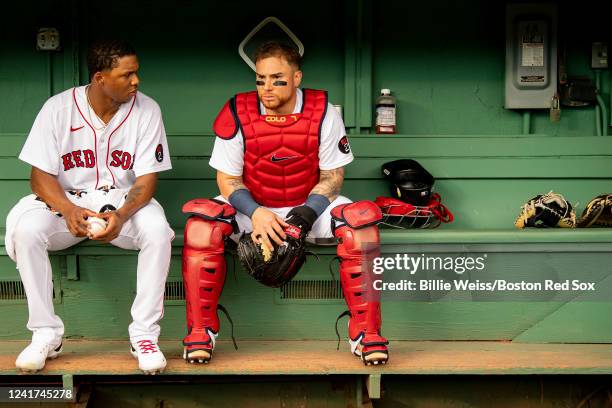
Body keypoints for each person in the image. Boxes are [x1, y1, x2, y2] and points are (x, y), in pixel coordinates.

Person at [181, 41, 388, 366]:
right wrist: (257, 213)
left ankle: (365, 333)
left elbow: (333, 176)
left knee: (360, 228)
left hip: (308, 205)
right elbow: (227, 180)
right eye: (260, 79)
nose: (267, 88)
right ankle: (201, 332)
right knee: (200, 228)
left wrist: (304, 216)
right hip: (254, 206)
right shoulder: (237, 110)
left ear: (296, 77)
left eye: (277, 79)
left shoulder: (324, 112)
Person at [5, 40, 174, 374]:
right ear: (100, 78)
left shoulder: (147, 109)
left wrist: (122, 215)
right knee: (26, 231)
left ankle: (143, 335)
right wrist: (66, 210)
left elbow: (146, 181)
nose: (136, 81)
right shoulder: (58, 108)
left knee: (157, 232)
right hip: (68, 203)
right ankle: (45, 334)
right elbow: (39, 178)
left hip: (123, 204)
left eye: (136, 73)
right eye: (127, 74)